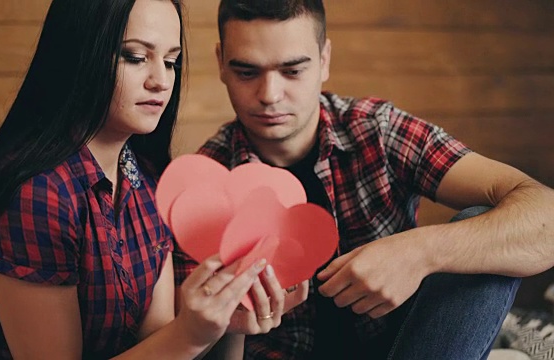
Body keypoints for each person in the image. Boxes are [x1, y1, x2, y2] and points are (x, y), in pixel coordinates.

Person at [172, 0, 554, 359]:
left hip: (410, 345)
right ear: (221, 63)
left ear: (324, 61)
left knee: (481, 220)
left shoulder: (376, 131)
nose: (269, 95)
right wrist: (232, 326)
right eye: (246, 71)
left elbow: (546, 216)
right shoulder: (205, 185)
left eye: (292, 70)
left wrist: (420, 252)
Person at [0, 0, 290, 358]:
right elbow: (172, 342)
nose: (161, 80)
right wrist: (189, 333)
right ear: (81, 55)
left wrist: (228, 325)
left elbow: (155, 343)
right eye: (136, 57)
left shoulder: (146, 176)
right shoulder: (38, 195)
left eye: (172, 61)